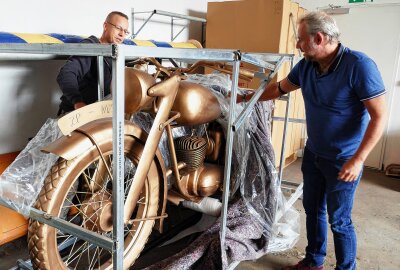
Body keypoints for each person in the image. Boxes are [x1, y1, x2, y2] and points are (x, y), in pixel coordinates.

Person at [237, 11, 387, 270]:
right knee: (313, 210)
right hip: (314, 153)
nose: (297, 45)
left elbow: (379, 117)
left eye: (300, 39)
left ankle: (345, 268)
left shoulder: (359, 66)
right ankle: (313, 261)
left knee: (339, 220)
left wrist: (358, 159)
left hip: (344, 159)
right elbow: (280, 87)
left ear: (319, 38)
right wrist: (245, 98)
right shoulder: (307, 65)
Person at [57, 11, 129, 114]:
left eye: (125, 31)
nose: (122, 34)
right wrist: (78, 102)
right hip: (76, 116)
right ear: (105, 26)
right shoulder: (91, 46)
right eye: (118, 28)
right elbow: (65, 74)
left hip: (101, 114)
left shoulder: (116, 53)